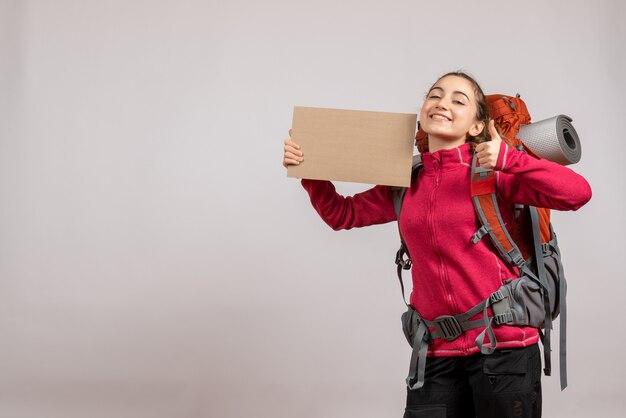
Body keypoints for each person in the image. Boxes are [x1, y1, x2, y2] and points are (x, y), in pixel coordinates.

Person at [282, 71, 592, 418]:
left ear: (477, 126)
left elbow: (578, 193)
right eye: (435, 96)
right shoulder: (406, 183)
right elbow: (341, 214)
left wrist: (509, 159)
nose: (442, 103)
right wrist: (309, 170)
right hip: (435, 353)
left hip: (503, 349)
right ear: (423, 112)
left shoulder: (494, 173)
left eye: (458, 101)